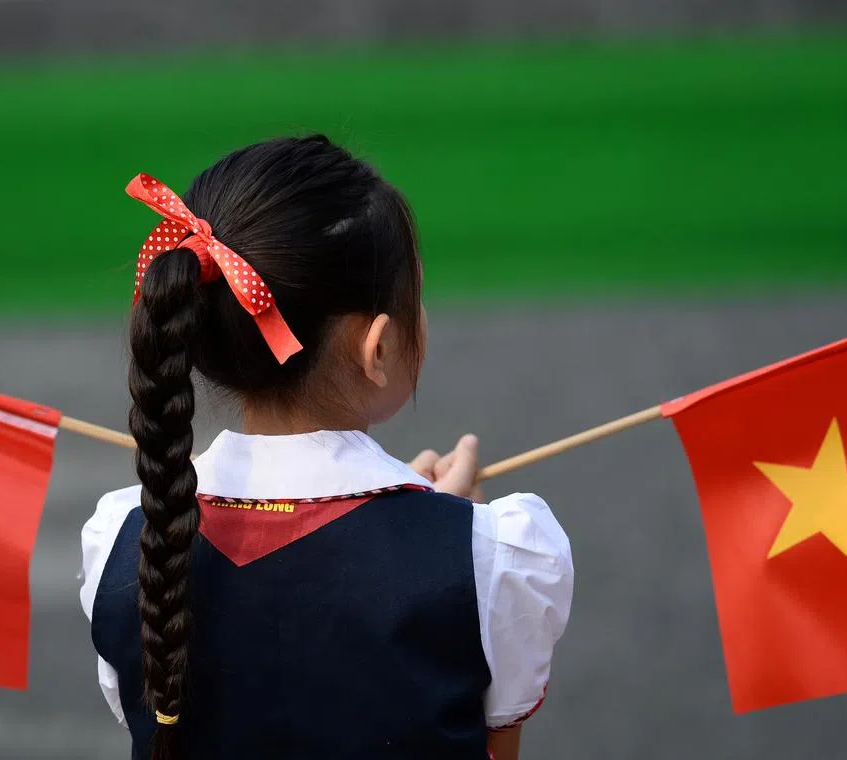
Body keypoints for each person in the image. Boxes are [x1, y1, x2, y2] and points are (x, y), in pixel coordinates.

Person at [79, 136, 574, 760]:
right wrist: (446, 529)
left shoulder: (122, 543)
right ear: (378, 348)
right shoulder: (490, 558)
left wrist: (430, 517)